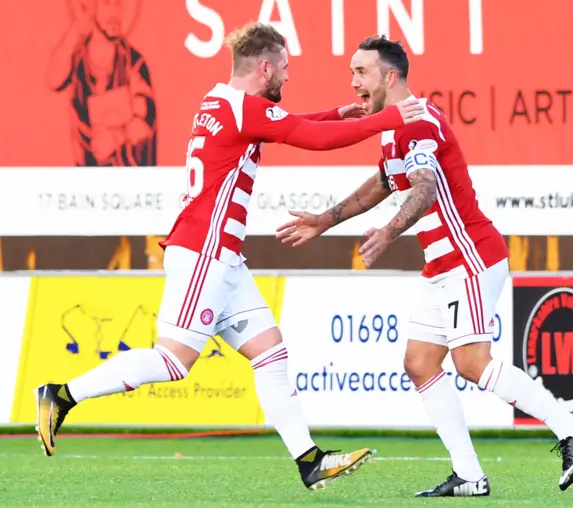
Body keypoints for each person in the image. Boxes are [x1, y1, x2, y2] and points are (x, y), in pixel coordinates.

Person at [35, 23, 425, 491]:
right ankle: (61, 395)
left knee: (271, 351)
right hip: (205, 252)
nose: (287, 76)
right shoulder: (245, 111)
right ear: (264, 67)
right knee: (174, 361)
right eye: (284, 68)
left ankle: (309, 460)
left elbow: (288, 127)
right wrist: (392, 117)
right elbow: (308, 138)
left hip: (221, 258)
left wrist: (339, 113)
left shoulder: (219, 101)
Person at [276, 35, 573, 497]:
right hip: (442, 265)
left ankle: (572, 429)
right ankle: (468, 474)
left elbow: (424, 186)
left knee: (471, 363)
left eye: (361, 73)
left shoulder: (419, 122)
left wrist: (388, 232)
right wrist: (324, 221)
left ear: (390, 77)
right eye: (351, 74)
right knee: (421, 362)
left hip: (469, 257)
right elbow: (382, 184)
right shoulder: (394, 128)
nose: (353, 84)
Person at [48, 0, 156, 166]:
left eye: (119, 5)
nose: (115, 13)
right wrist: (76, 31)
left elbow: (146, 119)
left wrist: (118, 136)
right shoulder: (78, 60)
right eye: (107, 3)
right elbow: (54, 80)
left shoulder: (132, 63)